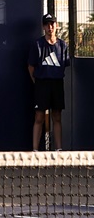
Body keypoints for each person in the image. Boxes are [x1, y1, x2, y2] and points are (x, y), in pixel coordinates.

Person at [28, 13, 70, 151]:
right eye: (47, 24)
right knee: (39, 117)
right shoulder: (37, 45)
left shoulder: (63, 45)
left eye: (52, 24)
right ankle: (35, 150)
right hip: (42, 85)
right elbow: (31, 67)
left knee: (57, 117)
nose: (50, 27)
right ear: (43, 27)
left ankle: (59, 149)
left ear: (56, 25)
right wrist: (37, 82)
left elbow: (65, 64)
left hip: (57, 84)